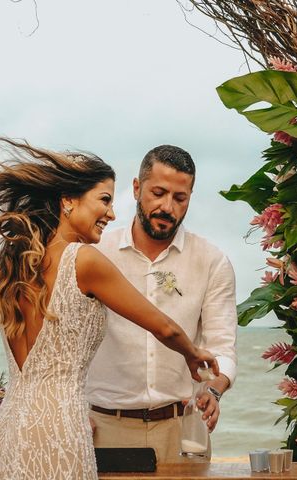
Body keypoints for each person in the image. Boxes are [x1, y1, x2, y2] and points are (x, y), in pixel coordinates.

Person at [0, 139, 219, 480]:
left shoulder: (13, 263)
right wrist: (192, 353)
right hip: (58, 430)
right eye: (104, 200)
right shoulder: (84, 260)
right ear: (68, 200)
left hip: (8, 428)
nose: (112, 213)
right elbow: (164, 328)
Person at [86, 145, 237, 463]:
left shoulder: (212, 262)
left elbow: (222, 347)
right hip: (101, 427)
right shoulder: (97, 253)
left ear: (190, 198)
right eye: (158, 193)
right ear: (137, 188)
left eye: (179, 198)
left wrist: (213, 390)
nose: (167, 207)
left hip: (182, 429)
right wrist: (70, 409)